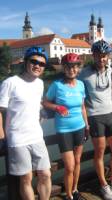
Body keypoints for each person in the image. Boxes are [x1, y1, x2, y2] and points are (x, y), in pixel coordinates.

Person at [79, 40, 112, 200]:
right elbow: (75, 89)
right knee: (100, 151)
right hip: (94, 116)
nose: (101, 59)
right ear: (93, 55)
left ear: (108, 57)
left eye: (104, 56)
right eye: (98, 56)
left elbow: (111, 89)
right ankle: (103, 185)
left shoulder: (109, 70)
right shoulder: (84, 73)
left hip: (110, 114)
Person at [0, 46, 51, 200]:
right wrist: (2, 136)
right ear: (26, 62)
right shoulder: (10, 82)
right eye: (34, 62)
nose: (37, 66)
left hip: (37, 136)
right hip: (18, 139)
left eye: (42, 64)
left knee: (45, 174)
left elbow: (36, 102)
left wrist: (41, 110)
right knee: (26, 178)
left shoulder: (40, 84)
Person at [43, 53, 89, 200]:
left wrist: (87, 125)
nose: (72, 69)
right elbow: (45, 102)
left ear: (78, 68)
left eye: (75, 66)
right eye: (68, 66)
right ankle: (68, 195)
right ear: (64, 68)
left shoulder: (81, 85)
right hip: (64, 130)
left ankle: (75, 190)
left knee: (77, 161)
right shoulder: (57, 85)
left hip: (80, 127)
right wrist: (56, 107)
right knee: (69, 166)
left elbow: (82, 107)